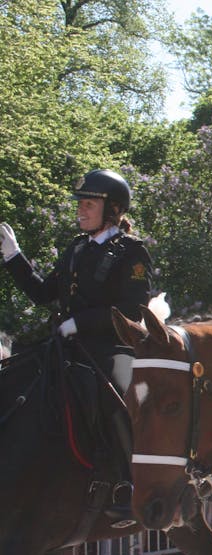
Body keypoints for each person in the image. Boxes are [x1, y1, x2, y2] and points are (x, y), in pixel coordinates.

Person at [1, 169, 151, 527]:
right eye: (80, 204)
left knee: (117, 397)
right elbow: (43, 293)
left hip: (110, 346)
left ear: (112, 210)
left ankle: (128, 485)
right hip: (66, 345)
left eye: (88, 204)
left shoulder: (132, 253)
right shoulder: (78, 247)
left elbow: (133, 310)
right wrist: (13, 256)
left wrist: (81, 323)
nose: (81, 210)